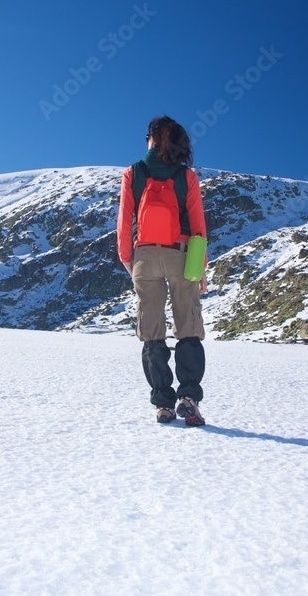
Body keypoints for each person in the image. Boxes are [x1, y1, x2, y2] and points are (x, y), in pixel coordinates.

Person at [117, 115, 208, 426]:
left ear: (152, 139)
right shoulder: (186, 177)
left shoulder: (134, 173)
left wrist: (129, 261)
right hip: (181, 256)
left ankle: (163, 405)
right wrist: (201, 269)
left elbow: (124, 222)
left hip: (144, 256)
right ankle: (188, 398)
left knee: (152, 332)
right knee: (188, 326)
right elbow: (198, 227)